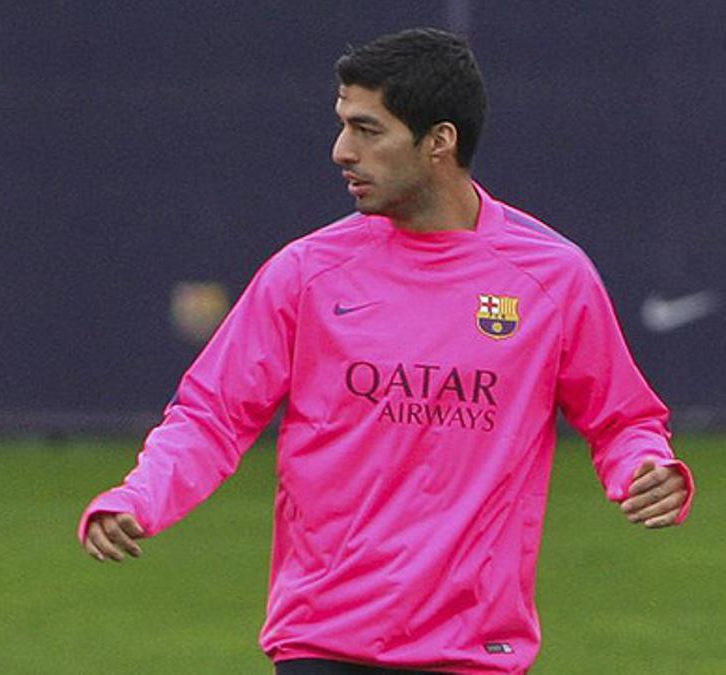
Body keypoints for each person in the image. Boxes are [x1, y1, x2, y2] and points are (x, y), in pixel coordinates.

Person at [78, 27, 695, 674]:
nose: (342, 150)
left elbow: (621, 417)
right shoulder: (306, 273)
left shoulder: (551, 277)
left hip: (473, 649)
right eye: (344, 125)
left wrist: (645, 467)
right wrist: (139, 496)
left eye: (368, 130)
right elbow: (211, 415)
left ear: (439, 141)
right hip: (322, 640)